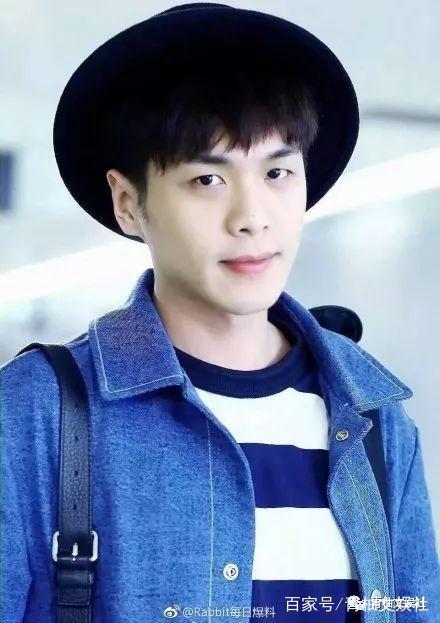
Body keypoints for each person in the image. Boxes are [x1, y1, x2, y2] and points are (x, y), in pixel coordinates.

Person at [1, 3, 439, 622]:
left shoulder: (374, 418)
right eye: (208, 180)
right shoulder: (36, 413)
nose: (252, 217)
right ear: (128, 202)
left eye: (278, 172)